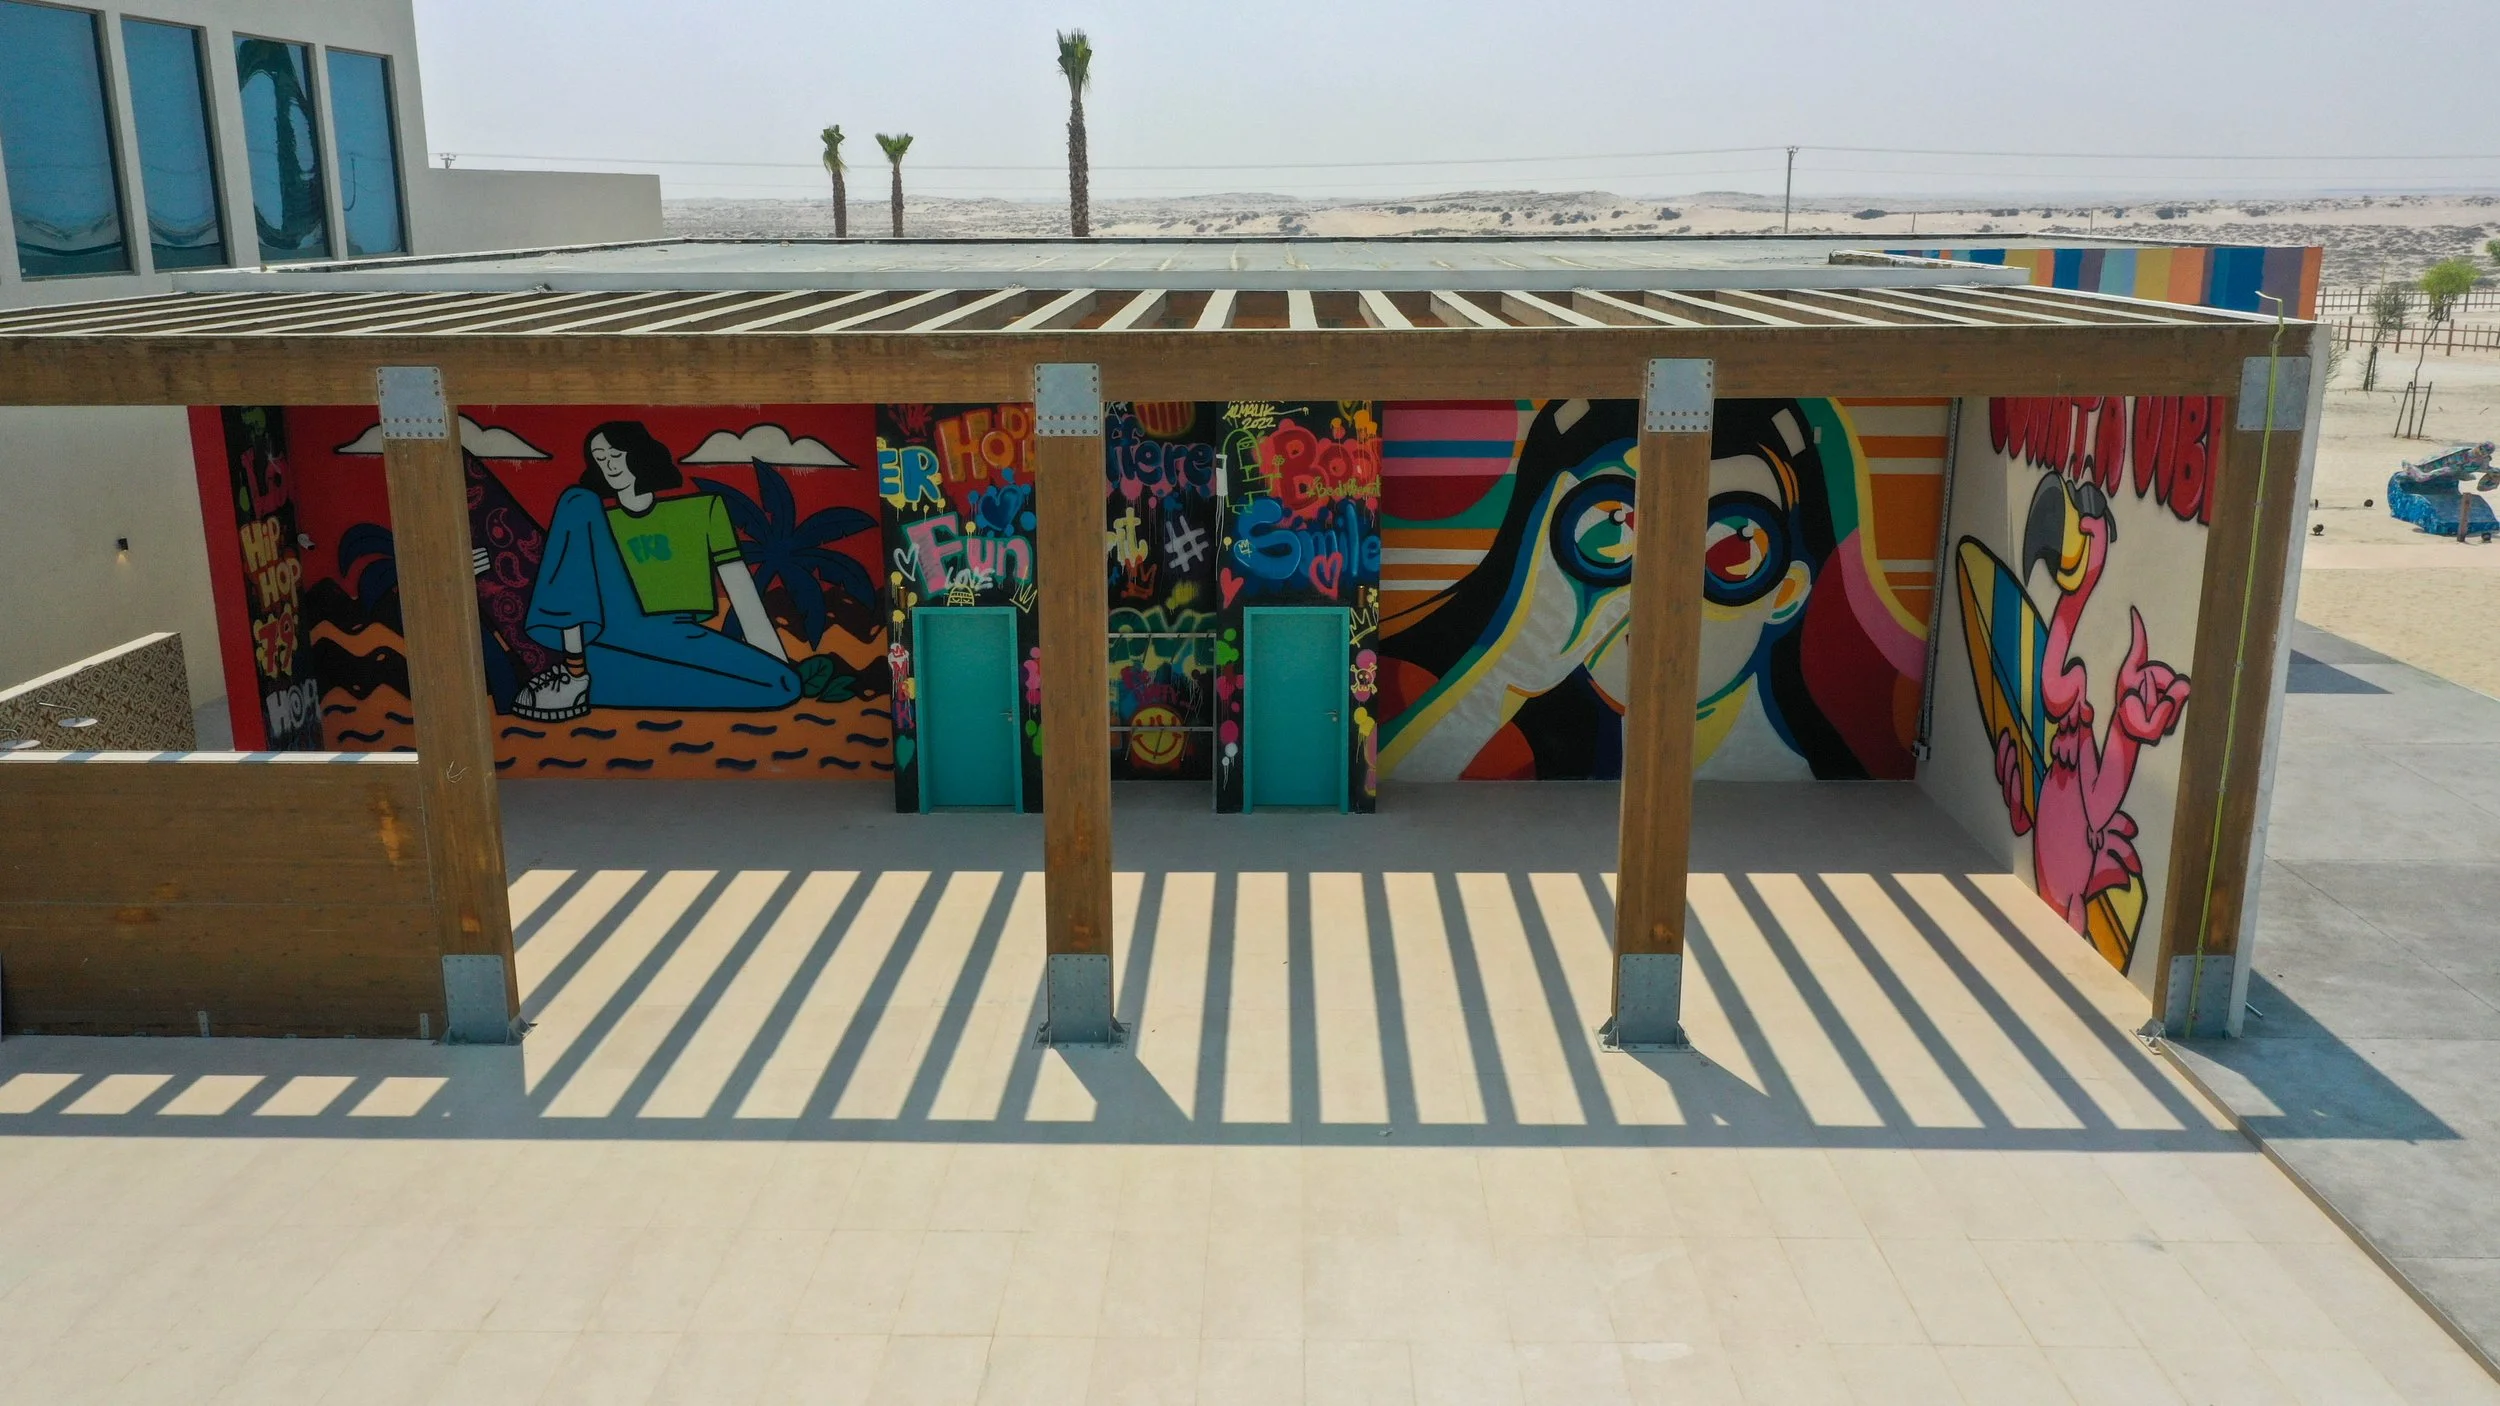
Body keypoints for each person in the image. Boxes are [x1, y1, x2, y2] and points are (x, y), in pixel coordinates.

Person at [509, 421, 800, 721]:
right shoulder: (596, 521)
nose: (608, 464)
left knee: (782, 684)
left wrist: (775, 661)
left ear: (638, 453)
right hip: (608, 630)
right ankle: (575, 674)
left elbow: (744, 596)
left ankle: (593, 681)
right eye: (600, 457)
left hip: (676, 637)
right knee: (578, 500)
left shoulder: (702, 509)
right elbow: (572, 586)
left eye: (615, 454)